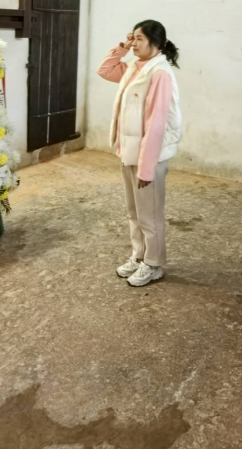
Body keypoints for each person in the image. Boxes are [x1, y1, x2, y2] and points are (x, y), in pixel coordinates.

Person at [97, 20, 183, 288]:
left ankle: (154, 264)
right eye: (133, 38)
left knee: (150, 215)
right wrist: (123, 46)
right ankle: (139, 256)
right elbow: (104, 70)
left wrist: (146, 168)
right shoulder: (134, 67)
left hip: (150, 159)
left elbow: (156, 124)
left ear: (156, 43)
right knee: (134, 212)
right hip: (129, 152)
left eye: (139, 39)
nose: (134, 43)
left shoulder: (159, 73)